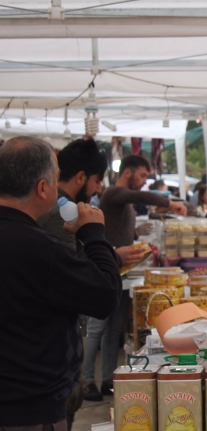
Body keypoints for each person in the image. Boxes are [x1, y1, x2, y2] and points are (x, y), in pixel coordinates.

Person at [0, 136, 121, 429]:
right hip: (28, 407)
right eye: (55, 180)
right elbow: (105, 296)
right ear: (42, 188)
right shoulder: (39, 248)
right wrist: (93, 235)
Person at [84, 155, 185, 401]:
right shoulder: (114, 193)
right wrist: (168, 203)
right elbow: (140, 197)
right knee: (96, 328)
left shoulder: (122, 201)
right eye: (142, 176)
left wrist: (138, 233)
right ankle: (87, 380)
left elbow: (118, 228)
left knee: (113, 329)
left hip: (122, 274)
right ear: (127, 173)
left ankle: (108, 378)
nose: (143, 182)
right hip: (103, 270)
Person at [35, 138, 107, 430]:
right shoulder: (62, 212)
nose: (101, 188)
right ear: (81, 177)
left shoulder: (61, 209)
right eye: (98, 180)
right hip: (52, 347)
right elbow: (72, 280)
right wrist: (99, 243)